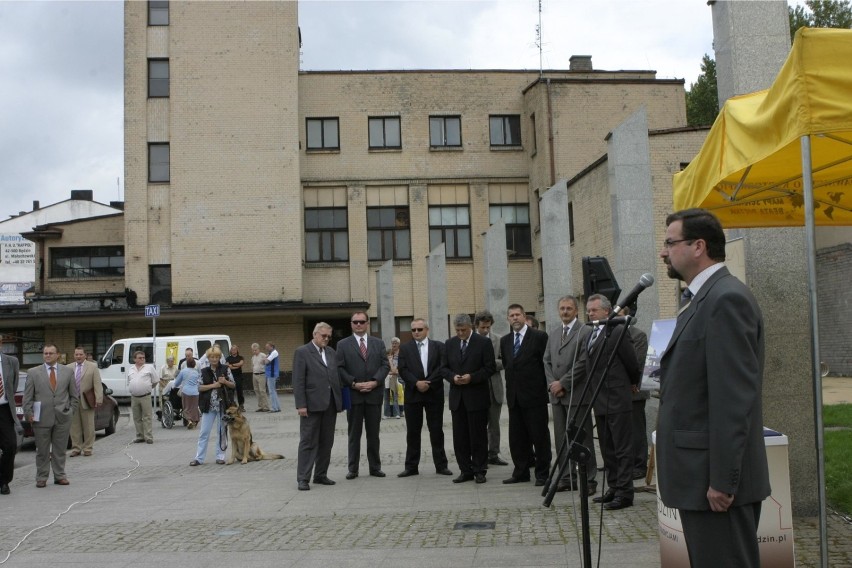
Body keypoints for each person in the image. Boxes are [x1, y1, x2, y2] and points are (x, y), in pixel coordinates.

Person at [657, 208, 769, 568]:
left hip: (716, 486)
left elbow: (733, 399)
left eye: (670, 243)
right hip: (698, 479)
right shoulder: (701, 299)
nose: (663, 252)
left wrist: (723, 481)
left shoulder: (726, 300)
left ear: (698, 246)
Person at [586, 294, 641, 511]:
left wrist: (633, 382)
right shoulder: (592, 333)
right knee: (607, 449)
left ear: (607, 311)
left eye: (594, 310)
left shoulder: (617, 330)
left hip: (617, 397)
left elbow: (631, 361)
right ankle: (614, 486)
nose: (590, 313)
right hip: (599, 399)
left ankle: (625, 492)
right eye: (588, 310)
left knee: (622, 448)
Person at [543, 295, 598, 494]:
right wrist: (552, 384)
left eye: (568, 308)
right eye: (562, 308)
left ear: (576, 310)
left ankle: (589, 479)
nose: (565, 312)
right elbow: (546, 360)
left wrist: (563, 383)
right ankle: (566, 477)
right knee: (561, 439)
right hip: (557, 397)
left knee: (582, 439)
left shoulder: (585, 332)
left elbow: (584, 362)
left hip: (577, 394)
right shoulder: (554, 333)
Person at [500, 304, 552, 486]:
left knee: (539, 436)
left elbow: (546, 364)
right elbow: (508, 365)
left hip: (535, 397)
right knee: (517, 438)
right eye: (511, 315)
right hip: (514, 398)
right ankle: (520, 471)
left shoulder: (539, 337)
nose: (514, 318)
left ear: (524, 316)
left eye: (517, 315)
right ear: (508, 319)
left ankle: (543, 473)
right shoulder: (505, 341)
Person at [336, 311, 390, 479]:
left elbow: (385, 366)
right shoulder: (342, 344)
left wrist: (375, 381)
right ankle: (353, 469)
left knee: (373, 434)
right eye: (355, 322)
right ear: (351, 324)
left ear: (368, 324)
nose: (358, 325)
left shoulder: (378, 343)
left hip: (374, 395)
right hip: (354, 395)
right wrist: (354, 383)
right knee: (354, 434)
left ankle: (375, 467)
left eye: (361, 322)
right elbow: (339, 368)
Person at [444, 313, 496, 484]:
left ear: (470, 327)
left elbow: (489, 368)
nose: (460, 333)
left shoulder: (483, 342)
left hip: (477, 397)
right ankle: (465, 470)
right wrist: (453, 377)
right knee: (460, 437)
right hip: (457, 398)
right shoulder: (450, 344)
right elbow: (443, 368)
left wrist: (471, 378)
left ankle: (480, 470)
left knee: (478, 436)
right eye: (457, 330)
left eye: (463, 330)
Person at [397, 319, 452, 478]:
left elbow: (442, 368)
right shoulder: (405, 348)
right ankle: (411, 467)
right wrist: (416, 383)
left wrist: (428, 383)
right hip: (413, 394)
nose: (416, 332)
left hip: (433, 392)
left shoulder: (439, 346)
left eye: (419, 329)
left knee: (436, 430)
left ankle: (441, 465)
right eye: (413, 330)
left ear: (427, 330)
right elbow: (403, 369)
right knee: (413, 431)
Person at [293, 322, 343, 491]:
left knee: (326, 442)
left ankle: (320, 475)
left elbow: (335, 376)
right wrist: (301, 405)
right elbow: (298, 380)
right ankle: (303, 478)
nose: (326, 339)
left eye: (329, 336)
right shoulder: (302, 352)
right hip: (311, 405)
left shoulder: (331, 352)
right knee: (308, 442)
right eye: (323, 336)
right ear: (315, 334)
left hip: (330, 404)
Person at [23, 343, 78, 487]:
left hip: (62, 417)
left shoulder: (67, 372)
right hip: (41, 418)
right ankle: (41, 477)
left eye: (50, 353)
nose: (47, 355)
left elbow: (74, 395)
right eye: (45, 353)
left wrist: (71, 411)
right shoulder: (33, 372)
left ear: (57, 355)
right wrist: (28, 413)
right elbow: (27, 396)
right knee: (42, 450)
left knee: (60, 450)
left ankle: (60, 475)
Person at [189, 345, 236, 466]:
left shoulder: (225, 369)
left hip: (222, 405)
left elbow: (233, 385)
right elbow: (199, 387)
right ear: (208, 358)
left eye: (216, 357)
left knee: (222, 431)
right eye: (212, 357)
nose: (214, 359)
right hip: (208, 406)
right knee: (204, 432)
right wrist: (213, 385)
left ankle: (220, 456)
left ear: (219, 358)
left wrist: (225, 382)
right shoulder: (204, 371)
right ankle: (199, 458)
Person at [474, 311, 508, 466]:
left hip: (494, 388)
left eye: (488, 327)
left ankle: (493, 453)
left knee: (494, 424)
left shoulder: (498, 340)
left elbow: (505, 361)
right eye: (483, 327)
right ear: (477, 326)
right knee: (478, 424)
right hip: (476, 388)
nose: (486, 330)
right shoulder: (471, 340)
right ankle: (479, 455)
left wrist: (488, 364)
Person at [620, 307, 650, 480]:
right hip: (617, 391)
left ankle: (639, 465)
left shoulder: (638, 335)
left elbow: (636, 363)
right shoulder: (611, 334)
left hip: (634, 391)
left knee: (636, 430)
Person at [68, 346, 103, 457]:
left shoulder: (92, 367)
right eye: (76, 354)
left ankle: (88, 448)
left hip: (87, 400)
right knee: (74, 427)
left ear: (85, 355)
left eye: (80, 354)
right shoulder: (68, 368)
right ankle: (76, 448)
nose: (78, 356)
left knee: (88, 426)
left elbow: (97, 384)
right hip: (73, 401)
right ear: (74, 355)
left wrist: (99, 399)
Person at [0, 339, 22, 495]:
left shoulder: (11, 361)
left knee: (10, 446)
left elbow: (13, 387)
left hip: (5, 409)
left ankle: (4, 480)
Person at [127, 350, 159, 444]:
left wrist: (148, 387)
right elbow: (129, 382)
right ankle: (139, 436)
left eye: (143, 358)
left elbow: (155, 380)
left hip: (145, 396)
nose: (142, 359)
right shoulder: (131, 369)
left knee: (147, 417)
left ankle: (148, 436)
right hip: (134, 397)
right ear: (134, 359)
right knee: (136, 418)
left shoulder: (149, 368)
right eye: (140, 358)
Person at [173, 358, 200, 428]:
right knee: (194, 408)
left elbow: (177, 382)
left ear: (186, 364)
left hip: (186, 392)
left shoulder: (183, 371)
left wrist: (174, 386)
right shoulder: (196, 372)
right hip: (195, 392)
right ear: (194, 364)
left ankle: (189, 421)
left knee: (186, 408)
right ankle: (195, 420)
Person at [384, 338, 402, 419]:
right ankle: (387, 414)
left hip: (399, 378)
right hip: (388, 378)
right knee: (387, 396)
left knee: (397, 396)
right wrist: (391, 372)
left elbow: (398, 369)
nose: (394, 345)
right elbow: (385, 367)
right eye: (392, 343)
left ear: (399, 344)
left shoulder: (401, 354)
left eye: (395, 343)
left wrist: (393, 370)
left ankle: (398, 412)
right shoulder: (389, 353)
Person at [250, 343, 270, 412]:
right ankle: (261, 406)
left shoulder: (263, 355)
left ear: (258, 349)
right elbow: (252, 365)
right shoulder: (253, 357)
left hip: (261, 374)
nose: (254, 351)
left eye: (255, 350)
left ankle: (266, 406)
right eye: (253, 350)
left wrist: (265, 360)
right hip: (254, 375)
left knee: (262, 390)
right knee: (256, 390)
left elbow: (267, 362)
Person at [226, 345, 246, 412]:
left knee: (240, 391)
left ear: (237, 350)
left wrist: (233, 365)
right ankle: (232, 405)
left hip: (239, 376)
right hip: (231, 377)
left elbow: (241, 363)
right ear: (230, 351)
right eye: (232, 349)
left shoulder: (240, 357)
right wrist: (236, 365)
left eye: (235, 349)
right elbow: (228, 366)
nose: (233, 351)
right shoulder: (228, 358)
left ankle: (241, 405)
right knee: (231, 392)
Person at [263, 342, 282, 413]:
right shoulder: (271, 353)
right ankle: (277, 407)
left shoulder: (274, 352)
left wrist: (265, 358)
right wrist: (266, 358)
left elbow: (266, 362)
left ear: (271, 346)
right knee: (273, 391)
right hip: (270, 374)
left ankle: (274, 408)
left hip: (272, 374)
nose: (266, 348)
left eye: (267, 347)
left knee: (271, 391)